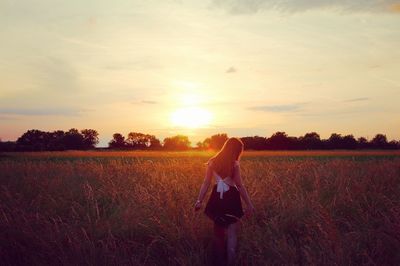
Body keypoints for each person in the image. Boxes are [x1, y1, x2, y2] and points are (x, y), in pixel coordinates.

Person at [194, 137, 255, 265]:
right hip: (231, 198)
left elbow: (206, 183)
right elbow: (239, 185)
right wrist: (249, 204)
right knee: (232, 233)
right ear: (237, 150)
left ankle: (219, 261)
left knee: (218, 233)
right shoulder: (234, 164)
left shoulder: (212, 162)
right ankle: (231, 262)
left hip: (216, 198)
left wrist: (199, 200)